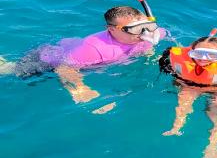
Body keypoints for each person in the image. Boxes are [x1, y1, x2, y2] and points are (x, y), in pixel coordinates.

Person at [0, 6, 166, 104]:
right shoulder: (93, 48)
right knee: (15, 72)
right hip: (49, 59)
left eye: (147, 26)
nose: (144, 33)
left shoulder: (151, 33)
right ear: (112, 29)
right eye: (135, 29)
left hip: (76, 51)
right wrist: (81, 90)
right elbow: (64, 68)